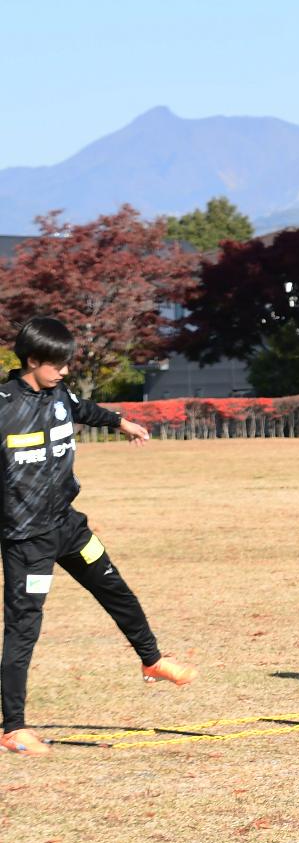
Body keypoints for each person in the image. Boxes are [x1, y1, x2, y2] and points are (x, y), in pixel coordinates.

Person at [0, 317, 193, 756]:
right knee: (24, 629)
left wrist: (122, 422)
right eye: (57, 364)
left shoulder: (59, 394)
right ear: (32, 360)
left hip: (68, 526)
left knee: (115, 589)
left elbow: (82, 408)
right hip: (27, 540)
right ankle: (13, 728)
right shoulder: (2, 404)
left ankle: (152, 660)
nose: (65, 371)